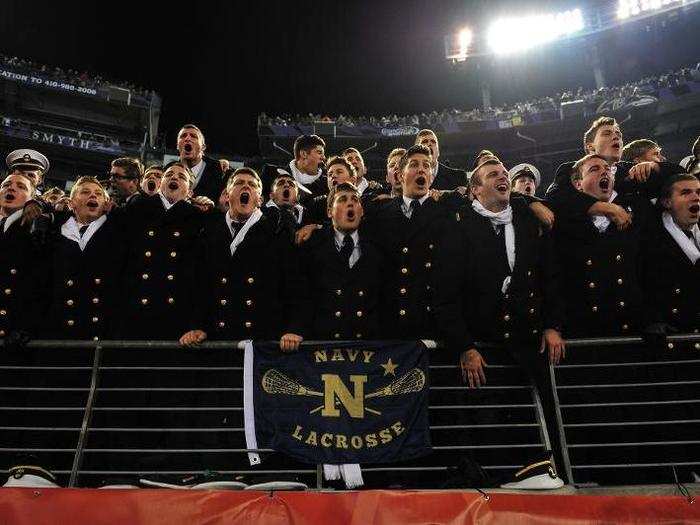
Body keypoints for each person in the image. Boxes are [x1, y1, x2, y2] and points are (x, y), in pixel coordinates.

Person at [434, 158, 565, 389]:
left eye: (505, 173)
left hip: (529, 347)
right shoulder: (459, 226)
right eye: (493, 174)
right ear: (475, 190)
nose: (503, 176)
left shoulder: (528, 220)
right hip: (481, 352)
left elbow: (550, 278)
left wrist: (552, 326)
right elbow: (446, 294)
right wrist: (464, 346)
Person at [179, 168, 305, 347]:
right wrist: (197, 326)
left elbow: (294, 286)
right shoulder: (210, 232)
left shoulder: (277, 232)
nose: (245, 187)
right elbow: (199, 286)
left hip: (261, 341)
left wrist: (294, 328)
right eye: (239, 183)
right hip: (216, 339)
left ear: (260, 199)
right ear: (227, 195)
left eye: (252, 185)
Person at [550, 154, 653, 337]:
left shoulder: (634, 214)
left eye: (607, 169)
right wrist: (553, 325)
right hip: (583, 330)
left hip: (630, 329)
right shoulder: (562, 223)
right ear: (578, 184)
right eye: (594, 169)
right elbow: (553, 278)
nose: (604, 171)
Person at [116, 161, 206, 340]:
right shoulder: (137, 208)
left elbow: (200, 273)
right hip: (134, 307)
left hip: (174, 314)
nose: (174, 177)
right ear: (160, 184)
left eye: (182, 177)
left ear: (190, 191)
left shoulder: (198, 218)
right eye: (169, 174)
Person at [295, 182, 385, 342]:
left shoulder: (378, 246)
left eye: (355, 200)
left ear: (362, 210)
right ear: (329, 211)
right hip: (324, 344)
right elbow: (302, 294)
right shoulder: (312, 245)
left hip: (368, 345)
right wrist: (296, 330)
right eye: (342, 199)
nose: (350, 203)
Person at [42, 177, 127, 340]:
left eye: (98, 194)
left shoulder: (118, 229)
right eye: (85, 192)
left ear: (106, 203)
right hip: (58, 329)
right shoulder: (54, 229)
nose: (93, 196)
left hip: (100, 331)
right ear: (72, 203)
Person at [640, 174, 700, 336]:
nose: (695, 197)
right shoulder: (650, 239)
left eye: (699, 192)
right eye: (686, 192)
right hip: (673, 336)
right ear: (667, 202)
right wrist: (652, 319)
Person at [0, 172, 43, 341]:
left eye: (21, 187)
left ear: (31, 199)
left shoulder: (35, 228)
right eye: (6, 185)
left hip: (10, 327)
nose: (11, 188)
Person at [262, 135, 327, 203]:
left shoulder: (328, 182)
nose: (323, 157)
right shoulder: (271, 174)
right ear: (304, 154)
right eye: (319, 153)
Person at [176, 124, 225, 202]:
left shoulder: (219, 171)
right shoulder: (167, 171)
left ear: (203, 147)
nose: (187, 138)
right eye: (183, 136)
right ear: (178, 146)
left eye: (193, 136)